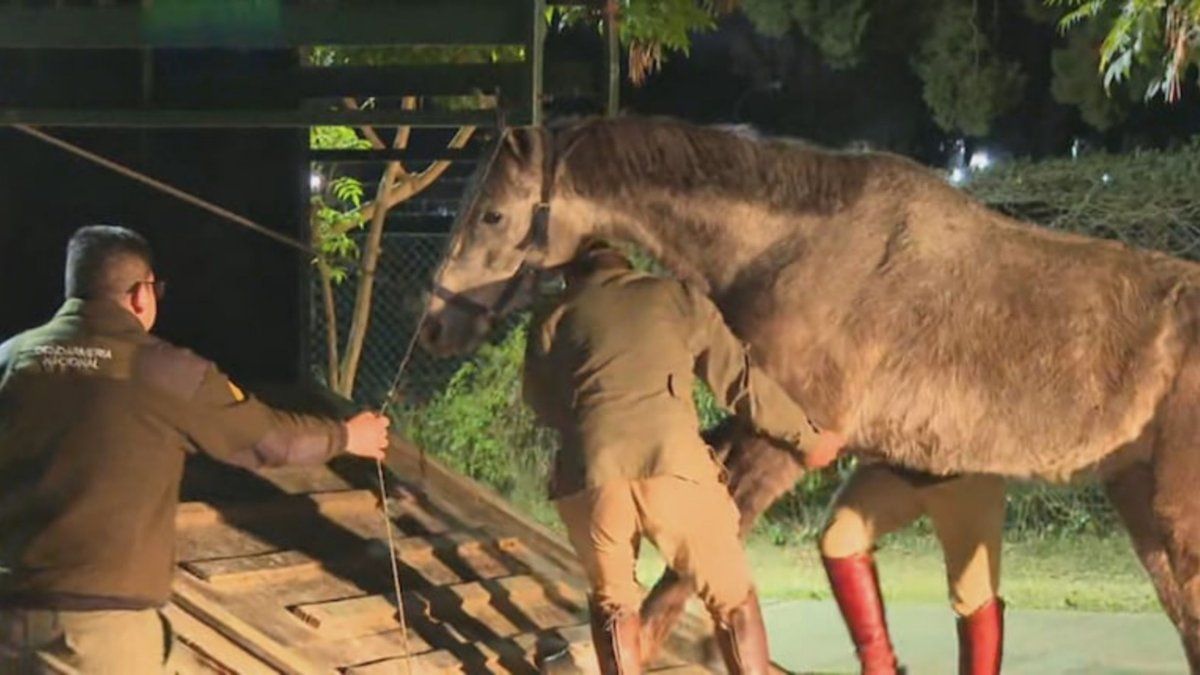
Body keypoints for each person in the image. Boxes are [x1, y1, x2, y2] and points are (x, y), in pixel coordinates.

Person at [0, 225, 392, 674]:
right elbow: (271, 440)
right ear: (140, 295)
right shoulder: (164, 370)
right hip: (102, 636)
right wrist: (348, 437)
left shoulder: (11, 358)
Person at [522, 240, 845, 674]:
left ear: (568, 273)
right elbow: (740, 383)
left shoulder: (552, 315)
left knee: (613, 604)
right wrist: (808, 438)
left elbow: (542, 405)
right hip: (673, 470)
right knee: (733, 602)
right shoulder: (673, 297)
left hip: (591, 477)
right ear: (627, 262)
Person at [820, 465, 1006, 675]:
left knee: (974, 597)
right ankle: (879, 668)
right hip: (898, 466)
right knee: (840, 537)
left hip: (967, 471)